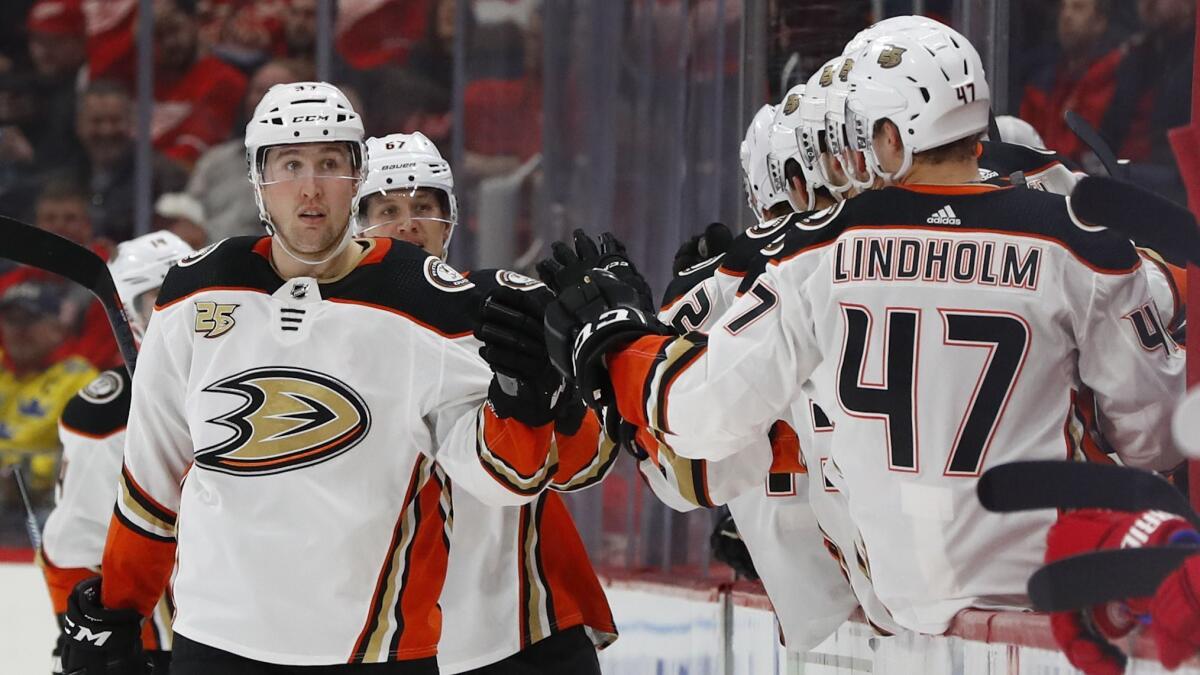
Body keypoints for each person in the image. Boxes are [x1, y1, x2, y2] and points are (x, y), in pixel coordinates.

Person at [543, 21, 1184, 637]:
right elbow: (1154, 439)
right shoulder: (1078, 241)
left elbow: (699, 415)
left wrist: (619, 344)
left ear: (890, 134)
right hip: (1064, 594)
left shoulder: (816, 249)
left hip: (906, 605)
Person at [58, 82, 566, 674]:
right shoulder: (195, 293)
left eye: (330, 164)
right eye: (289, 164)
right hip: (215, 641)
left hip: (376, 649)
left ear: (357, 176)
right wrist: (120, 610)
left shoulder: (429, 301)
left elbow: (506, 479)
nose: (310, 187)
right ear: (258, 180)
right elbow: (152, 480)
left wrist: (524, 401)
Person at [354, 132, 616, 675]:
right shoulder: (328, 337)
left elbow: (584, 466)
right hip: (382, 634)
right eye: (388, 209)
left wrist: (561, 405)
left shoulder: (508, 309)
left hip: (524, 628)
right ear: (357, 222)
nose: (408, 223)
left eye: (424, 206)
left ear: (449, 220)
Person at [40, 230, 196, 675]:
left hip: (245, 635)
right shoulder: (107, 416)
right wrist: (82, 637)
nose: (177, 313)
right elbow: (72, 545)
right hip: (151, 645)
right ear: (127, 314)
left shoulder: (245, 383)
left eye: (186, 296)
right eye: (158, 299)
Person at [57, 80, 188, 243]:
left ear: (131, 122)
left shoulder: (162, 174)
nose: (107, 130)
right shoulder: (64, 174)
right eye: (97, 121)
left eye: (115, 120)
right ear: (79, 125)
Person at [0, 280, 96, 496]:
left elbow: (85, 461)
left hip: (38, 503)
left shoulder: (79, 379)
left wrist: (21, 474)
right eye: (11, 320)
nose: (18, 331)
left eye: (29, 320)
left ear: (57, 328)